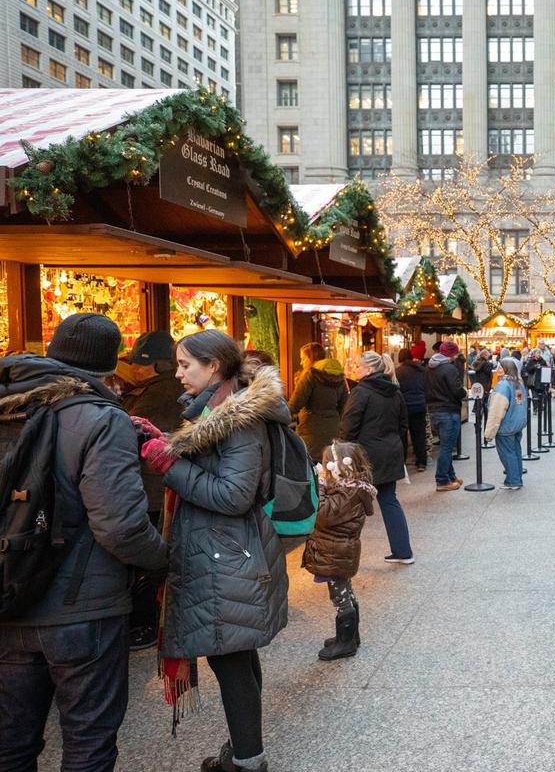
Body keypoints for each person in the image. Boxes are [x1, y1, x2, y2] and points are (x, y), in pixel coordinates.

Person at [0, 314, 169, 771]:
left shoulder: (8, 403)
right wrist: (163, 559)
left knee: (11, 744)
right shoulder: (100, 418)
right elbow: (120, 526)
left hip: (7, 595)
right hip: (82, 607)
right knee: (87, 742)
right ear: (110, 363)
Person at [138, 329, 288, 772]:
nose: (179, 373)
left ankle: (247, 761)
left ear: (214, 367)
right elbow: (209, 459)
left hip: (226, 554)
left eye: (186, 365)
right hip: (225, 550)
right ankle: (247, 752)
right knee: (236, 654)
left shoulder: (238, 418)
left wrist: (168, 463)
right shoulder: (217, 408)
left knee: (231, 658)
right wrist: (166, 440)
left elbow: (233, 495)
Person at [118, 330, 184, 652]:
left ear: (159, 366)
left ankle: (146, 622)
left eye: (141, 365)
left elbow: (136, 439)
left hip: (153, 491)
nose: (136, 369)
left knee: (150, 559)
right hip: (154, 490)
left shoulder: (159, 394)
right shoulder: (154, 388)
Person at [302, 441, 377, 661]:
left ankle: (346, 643)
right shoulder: (351, 487)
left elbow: (324, 513)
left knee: (340, 594)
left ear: (338, 468)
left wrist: (321, 485)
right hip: (339, 550)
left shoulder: (347, 492)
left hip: (336, 551)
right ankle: (351, 636)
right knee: (344, 590)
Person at [341, 352, 413, 563]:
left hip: (365, 455)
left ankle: (343, 555)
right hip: (390, 452)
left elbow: (348, 426)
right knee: (389, 500)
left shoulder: (361, 392)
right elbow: (402, 425)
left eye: (359, 366)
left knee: (351, 504)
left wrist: (347, 452)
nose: (355, 369)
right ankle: (403, 551)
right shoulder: (394, 392)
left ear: (370, 370)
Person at [289, 352, 348, 462]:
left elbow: (296, 403)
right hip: (332, 428)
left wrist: (282, 416)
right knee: (329, 463)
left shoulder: (310, 376)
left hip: (310, 427)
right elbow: (344, 406)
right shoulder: (341, 379)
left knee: (311, 464)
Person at [427, 341, 467, 491]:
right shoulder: (449, 368)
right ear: (451, 354)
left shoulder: (430, 368)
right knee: (447, 447)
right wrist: (464, 392)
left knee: (446, 445)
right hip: (448, 410)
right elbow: (456, 389)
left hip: (434, 410)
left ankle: (451, 475)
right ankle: (442, 480)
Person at [485, 357, 530, 490]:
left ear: (507, 369)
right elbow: (519, 403)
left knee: (507, 454)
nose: (497, 369)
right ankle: (516, 478)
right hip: (516, 425)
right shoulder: (518, 384)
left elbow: (496, 411)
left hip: (506, 426)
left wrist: (489, 433)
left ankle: (513, 480)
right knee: (515, 451)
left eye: (500, 367)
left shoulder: (502, 386)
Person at [395, 347, 430, 472]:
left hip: (403, 407)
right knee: (419, 434)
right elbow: (427, 387)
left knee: (402, 435)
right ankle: (421, 462)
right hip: (420, 406)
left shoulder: (398, 372)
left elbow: (396, 390)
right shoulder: (421, 370)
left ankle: (402, 463)